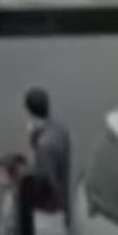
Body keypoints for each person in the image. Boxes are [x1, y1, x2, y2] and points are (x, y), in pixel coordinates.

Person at [24, 87, 72, 222]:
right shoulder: (61, 129)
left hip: (49, 212)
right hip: (62, 195)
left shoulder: (44, 146)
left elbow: (46, 183)